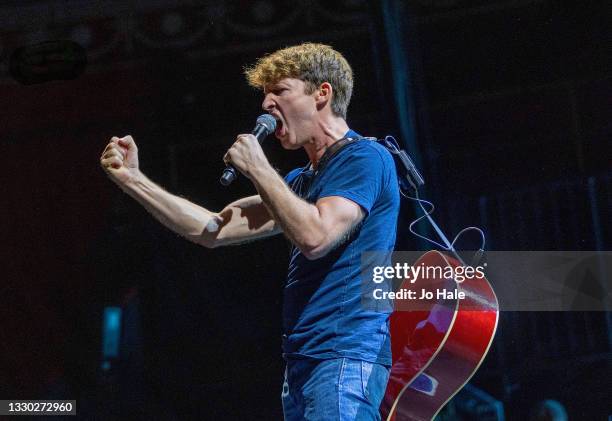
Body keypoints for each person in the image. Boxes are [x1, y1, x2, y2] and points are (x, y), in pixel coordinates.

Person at [100, 43, 399, 420]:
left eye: (280, 91)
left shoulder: (364, 158)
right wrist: (134, 180)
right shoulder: (300, 182)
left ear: (322, 93)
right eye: (264, 95)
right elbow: (212, 228)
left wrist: (259, 169)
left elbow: (316, 237)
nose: (266, 105)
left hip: (343, 354)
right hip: (304, 361)